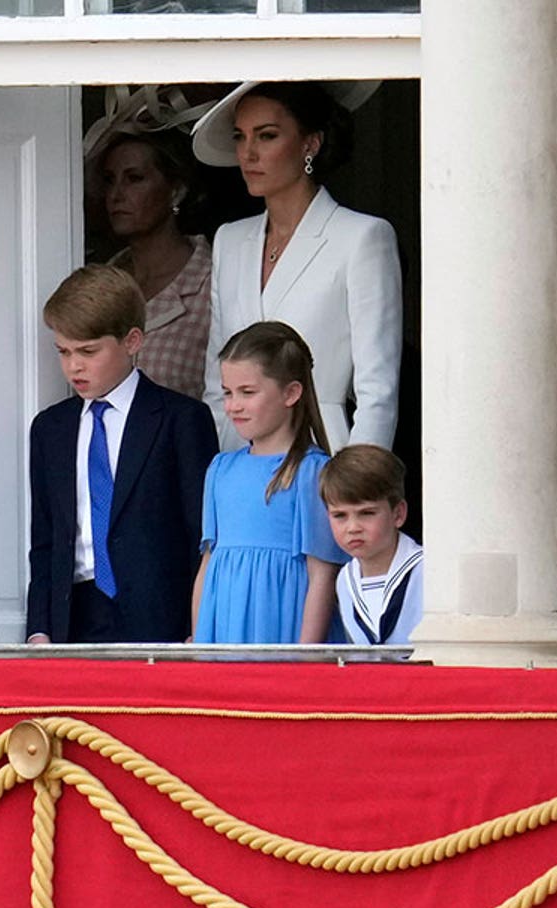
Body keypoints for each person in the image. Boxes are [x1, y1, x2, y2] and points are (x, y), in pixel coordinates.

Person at [190, 80, 402, 452]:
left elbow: (378, 390)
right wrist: (222, 468)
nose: (248, 153)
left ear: (310, 143)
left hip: (321, 456)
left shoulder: (361, 237)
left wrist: (357, 486)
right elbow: (215, 379)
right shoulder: (231, 240)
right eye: (240, 137)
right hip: (240, 458)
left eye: (267, 136)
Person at [27, 264, 219, 645]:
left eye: (87, 351)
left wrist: (197, 628)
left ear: (132, 341)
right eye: (63, 352)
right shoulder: (51, 429)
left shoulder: (181, 419)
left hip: (160, 617)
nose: (73, 366)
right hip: (74, 616)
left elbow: (202, 535)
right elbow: (46, 539)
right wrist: (39, 628)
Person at [191, 321, 346, 644]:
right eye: (228, 393)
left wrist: (306, 658)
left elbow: (322, 575)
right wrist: (200, 640)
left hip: (282, 629)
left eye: (247, 392)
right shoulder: (220, 468)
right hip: (224, 630)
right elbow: (208, 566)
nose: (233, 405)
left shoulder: (312, 472)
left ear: (291, 393)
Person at [98, 131, 212, 402]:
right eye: (109, 180)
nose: (116, 194)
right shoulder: (98, 284)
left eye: (134, 179)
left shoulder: (213, 283)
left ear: (176, 191)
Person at [320, 443, 424, 646]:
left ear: (398, 514)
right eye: (340, 515)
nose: (353, 527)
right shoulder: (344, 580)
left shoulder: (427, 572)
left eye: (366, 513)